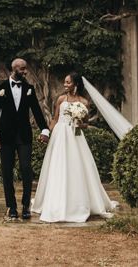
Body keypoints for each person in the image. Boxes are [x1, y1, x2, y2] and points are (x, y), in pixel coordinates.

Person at [32, 71, 117, 223]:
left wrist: (79, 122)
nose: (65, 85)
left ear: (75, 84)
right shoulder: (61, 99)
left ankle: (77, 203)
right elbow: (55, 119)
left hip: (75, 137)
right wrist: (47, 133)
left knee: (77, 167)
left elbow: (85, 124)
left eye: (68, 82)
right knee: (58, 167)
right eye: (64, 82)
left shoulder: (84, 102)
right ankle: (56, 202)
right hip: (59, 137)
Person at [0, 58, 49, 220]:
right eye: (22, 69)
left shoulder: (29, 88)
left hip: (24, 135)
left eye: (25, 69)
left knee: (26, 169)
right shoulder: (0, 88)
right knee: (7, 171)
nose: (25, 72)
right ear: (14, 69)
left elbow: (37, 110)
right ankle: (11, 206)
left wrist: (44, 129)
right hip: (5, 136)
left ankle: (25, 206)